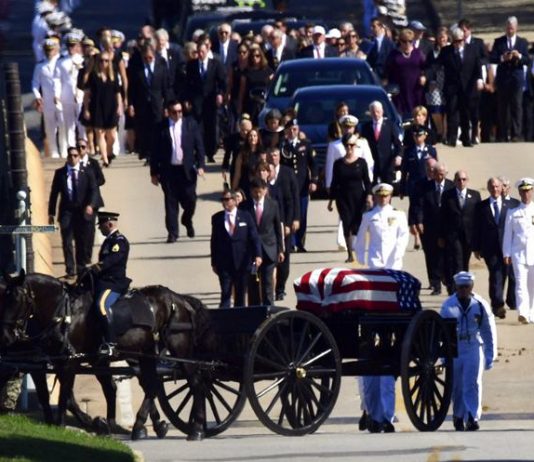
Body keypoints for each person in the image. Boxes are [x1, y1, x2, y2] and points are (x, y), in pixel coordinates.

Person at [354, 183, 409, 433]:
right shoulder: (369, 216)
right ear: (376, 197)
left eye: (387, 195)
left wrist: (397, 259)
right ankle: (370, 410)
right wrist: (362, 259)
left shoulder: (399, 215)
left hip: (393, 267)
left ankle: (383, 414)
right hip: (375, 267)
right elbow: (360, 240)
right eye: (380, 195)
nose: (384, 198)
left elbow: (403, 237)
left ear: (391, 196)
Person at [440, 271, 497, 431]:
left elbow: (487, 331)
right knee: (457, 386)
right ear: (456, 287)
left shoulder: (479, 305)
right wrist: (443, 355)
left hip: (473, 346)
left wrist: (490, 354)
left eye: (467, 286)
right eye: (461, 287)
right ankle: (458, 415)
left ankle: (472, 416)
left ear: (471, 286)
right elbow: (440, 332)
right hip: (455, 348)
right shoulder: (448, 306)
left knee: (472, 383)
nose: (464, 290)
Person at [150, 100, 206, 243]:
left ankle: (187, 219)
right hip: (169, 171)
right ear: (168, 112)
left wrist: (201, 165)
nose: (177, 114)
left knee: (190, 199)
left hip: (187, 170)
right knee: (171, 202)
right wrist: (154, 172)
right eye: (174, 112)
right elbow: (155, 151)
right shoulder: (161, 127)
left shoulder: (190, 124)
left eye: (180, 111)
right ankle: (173, 233)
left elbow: (199, 146)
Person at [48, 146, 98, 277]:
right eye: (70, 155)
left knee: (81, 241)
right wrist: (51, 213)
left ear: (79, 157)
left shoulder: (87, 172)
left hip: (82, 212)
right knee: (67, 241)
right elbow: (54, 194)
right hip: (67, 212)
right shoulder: (60, 173)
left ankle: (81, 269)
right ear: (67, 157)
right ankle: (70, 269)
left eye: (75, 155)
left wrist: (91, 205)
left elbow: (94, 190)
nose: (72, 158)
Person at [473, 178, 517, 318]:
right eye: (492, 187)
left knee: (511, 275)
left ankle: (512, 300)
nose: (495, 189)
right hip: (490, 248)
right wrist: (476, 247)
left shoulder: (512, 204)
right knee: (496, 275)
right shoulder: (481, 207)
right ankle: (498, 305)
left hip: (509, 248)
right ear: (488, 188)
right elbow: (476, 228)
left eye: (497, 186)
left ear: (502, 187)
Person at [210, 190, 262, 308]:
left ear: (234, 201)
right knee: (225, 293)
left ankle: (239, 317)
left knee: (240, 295)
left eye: (227, 199)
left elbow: (254, 237)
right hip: (224, 263)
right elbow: (214, 241)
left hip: (242, 262)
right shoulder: (217, 218)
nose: (225, 202)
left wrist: (258, 255)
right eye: (223, 200)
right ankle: (224, 317)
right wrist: (214, 262)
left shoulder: (245, 216)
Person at [327, 133, 372, 262]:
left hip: (359, 198)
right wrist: (331, 200)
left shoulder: (361, 162)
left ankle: (358, 249)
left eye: (352, 145)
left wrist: (369, 196)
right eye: (347, 145)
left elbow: (367, 181)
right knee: (346, 224)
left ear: (355, 146)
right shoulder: (338, 164)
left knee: (357, 225)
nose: (349, 148)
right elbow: (334, 182)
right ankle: (350, 254)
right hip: (343, 198)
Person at [91, 211, 131, 356]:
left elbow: (113, 259)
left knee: (101, 305)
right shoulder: (109, 240)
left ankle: (111, 343)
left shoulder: (119, 241)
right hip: (103, 281)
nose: (99, 228)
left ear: (109, 224)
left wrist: (98, 267)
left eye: (101, 225)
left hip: (114, 283)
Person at [437, 27, 483, 148]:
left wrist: (479, 79)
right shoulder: (446, 51)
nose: (458, 44)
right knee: (452, 112)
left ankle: (466, 139)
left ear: (463, 39)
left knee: (465, 113)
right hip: (452, 87)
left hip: (468, 87)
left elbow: (477, 66)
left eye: (460, 41)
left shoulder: (472, 50)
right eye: (455, 41)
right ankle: (452, 139)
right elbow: (437, 64)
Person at [414, 161, 454, 295]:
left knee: (447, 256)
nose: (440, 177)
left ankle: (448, 281)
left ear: (446, 174)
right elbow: (419, 205)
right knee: (431, 256)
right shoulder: (424, 187)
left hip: (447, 227)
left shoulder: (451, 186)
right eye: (437, 174)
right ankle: (435, 284)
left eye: (442, 174)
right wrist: (419, 221)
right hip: (429, 227)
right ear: (433, 174)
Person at [439, 170, 481, 294]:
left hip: (469, 236)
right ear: (454, 181)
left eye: (464, 179)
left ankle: (465, 287)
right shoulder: (448, 195)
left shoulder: (475, 195)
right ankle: (455, 290)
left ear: (467, 180)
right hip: (453, 235)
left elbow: (479, 217)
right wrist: (441, 236)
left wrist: (479, 238)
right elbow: (442, 216)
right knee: (457, 261)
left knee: (465, 262)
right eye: (458, 179)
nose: (461, 182)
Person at [127, 43, 171, 163]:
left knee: (157, 128)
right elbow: (132, 88)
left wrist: (167, 105)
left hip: (157, 104)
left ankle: (156, 153)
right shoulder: (137, 69)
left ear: (154, 56)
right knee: (143, 129)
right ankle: (146, 153)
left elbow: (166, 88)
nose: (148, 60)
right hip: (141, 104)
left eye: (150, 58)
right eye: (145, 58)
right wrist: (130, 104)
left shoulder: (161, 67)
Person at [280, 118, 318, 252]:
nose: (292, 132)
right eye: (290, 129)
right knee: (289, 213)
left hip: (302, 185)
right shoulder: (283, 146)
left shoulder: (305, 145)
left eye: (294, 129)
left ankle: (300, 242)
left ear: (298, 130)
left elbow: (313, 164)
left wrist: (314, 181)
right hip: (288, 186)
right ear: (286, 131)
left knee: (302, 214)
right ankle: (290, 242)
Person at [184, 41, 227, 163]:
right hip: (197, 100)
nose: (201, 54)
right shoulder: (191, 65)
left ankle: (210, 152)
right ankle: (199, 153)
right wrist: (187, 99)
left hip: (211, 100)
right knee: (198, 127)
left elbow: (222, 81)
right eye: (198, 52)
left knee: (211, 127)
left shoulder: (215, 64)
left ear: (207, 51)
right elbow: (187, 83)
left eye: (203, 52)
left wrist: (220, 94)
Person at [244, 178, 284, 305]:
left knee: (267, 284)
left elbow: (277, 228)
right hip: (252, 252)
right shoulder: (245, 206)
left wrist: (280, 249)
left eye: (260, 191)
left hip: (269, 250)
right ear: (251, 191)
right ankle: (254, 310)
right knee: (253, 285)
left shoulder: (273, 205)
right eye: (255, 192)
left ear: (265, 190)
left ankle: (269, 310)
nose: (258, 194)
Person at [490, 17, 530, 142]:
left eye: (512, 28)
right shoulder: (499, 41)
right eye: (508, 28)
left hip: (516, 78)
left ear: (516, 28)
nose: (509, 30)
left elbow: (527, 60)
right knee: (503, 107)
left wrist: (519, 56)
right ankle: (503, 134)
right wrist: (503, 58)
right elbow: (492, 58)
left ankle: (516, 134)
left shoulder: (522, 42)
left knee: (516, 106)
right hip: (503, 78)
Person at [268, 147, 300, 301]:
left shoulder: (288, 173)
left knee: (284, 259)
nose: (273, 158)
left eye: (275, 155)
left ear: (279, 157)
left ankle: (280, 288)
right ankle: (268, 289)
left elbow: (294, 198)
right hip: (268, 225)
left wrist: (294, 220)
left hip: (284, 223)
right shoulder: (263, 174)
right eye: (270, 155)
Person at [502, 178, 534, 324]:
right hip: (518, 253)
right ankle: (523, 313)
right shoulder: (512, 212)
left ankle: (532, 312)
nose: (526, 194)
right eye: (523, 191)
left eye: (528, 191)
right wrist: (506, 253)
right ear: (519, 193)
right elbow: (508, 235)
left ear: (532, 192)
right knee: (520, 284)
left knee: (532, 285)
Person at [82, 51, 121, 167]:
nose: (103, 63)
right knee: (99, 133)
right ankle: (105, 158)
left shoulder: (113, 76)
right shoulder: (93, 76)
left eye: (106, 61)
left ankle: (109, 152)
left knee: (112, 136)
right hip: (97, 107)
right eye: (101, 61)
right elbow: (87, 94)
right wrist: (86, 109)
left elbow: (118, 93)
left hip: (111, 107)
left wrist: (119, 106)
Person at [384, 28, 426, 119]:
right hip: (399, 92)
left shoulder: (418, 53)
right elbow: (386, 71)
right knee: (400, 116)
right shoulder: (394, 54)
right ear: (400, 41)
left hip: (415, 90)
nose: (407, 44)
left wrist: (423, 76)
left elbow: (426, 67)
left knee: (416, 115)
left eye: (410, 41)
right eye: (404, 41)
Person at [32, 38, 62, 158]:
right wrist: (38, 96)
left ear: (56, 49)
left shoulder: (61, 62)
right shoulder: (40, 66)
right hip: (47, 101)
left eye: (51, 50)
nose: (49, 52)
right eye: (47, 50)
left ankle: (65, 150)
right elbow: (35, 83)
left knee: (63, 126)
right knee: (49, 128)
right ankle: (54, 152)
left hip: (62, 99)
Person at [360, 100, 402, 185]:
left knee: (388, 188)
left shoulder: (390, 125)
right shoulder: (366, 127)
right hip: (372, 165)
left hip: (387, 164)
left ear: (382, 111)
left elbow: (398, 144)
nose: (376, 114)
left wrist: (398, 156)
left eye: (378, 112)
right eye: (373, 112)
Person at [78, 138, 105, 265]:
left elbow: (102, 179)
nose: (80, 149)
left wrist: (90, 184)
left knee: (89, 230)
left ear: (87, 148)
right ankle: (81, 255)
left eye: (83, 147)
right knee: (79, 229)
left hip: (92, 201)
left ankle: (87, 255)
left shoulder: (93, 163)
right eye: (78, 147)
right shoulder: (73, 163)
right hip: (78, 201)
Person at [238, 44, 273, 124]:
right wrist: (240, 105)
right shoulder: (247, 71)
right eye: (252, 56)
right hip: (250, 103)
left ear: (261, 56)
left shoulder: (268, 71)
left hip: (263, 102)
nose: (255, 58)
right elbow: (242, 90)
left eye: (257, 56)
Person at [366, 17, 396, 81]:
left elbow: (392, 60)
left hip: (385, 76)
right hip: (372, 76)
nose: (371, 28)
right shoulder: (368, 41)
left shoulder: (389, 43)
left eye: (374, 26)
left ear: (380, 27)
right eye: (371, 26)